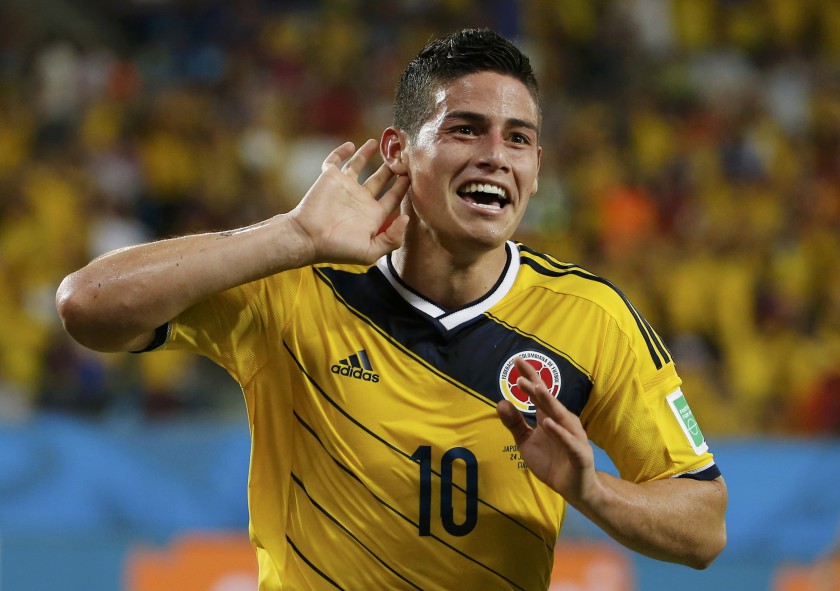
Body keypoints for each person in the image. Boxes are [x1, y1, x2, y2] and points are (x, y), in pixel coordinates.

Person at [56, 28, 727, 590]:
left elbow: (704, 526)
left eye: (518, 138)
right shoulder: (297, 283)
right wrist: (288, 236)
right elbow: (86, 306)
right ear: (401, 150)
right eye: (466, 129)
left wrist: (593, 490)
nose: (496, 155)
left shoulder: (591, 316)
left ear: (537, 167)